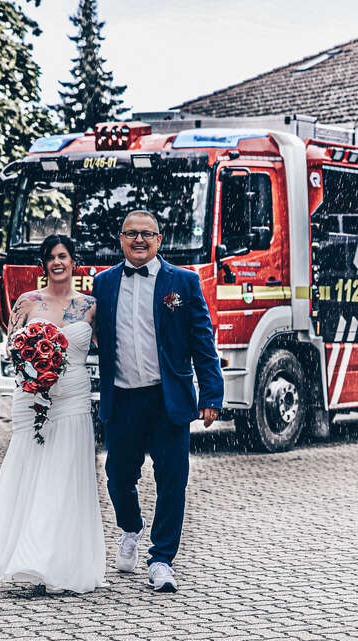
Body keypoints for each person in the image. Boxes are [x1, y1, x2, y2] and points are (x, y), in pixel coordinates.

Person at [92, 210, 223, 593]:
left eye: (146, 234)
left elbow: (202, 340)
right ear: (120, 239)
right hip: (123, 398)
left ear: (159, 239)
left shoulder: (183, 281)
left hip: (168, 400)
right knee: (117, 476)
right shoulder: (104, 284)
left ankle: (162, 559)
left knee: (172, 480)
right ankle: (130, 528)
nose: (138, 240)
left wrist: (211, 393)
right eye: (131, 234)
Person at [0, 234, 106, 594]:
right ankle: (27, 560)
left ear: (74, 261)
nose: (57, 263)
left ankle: (59, 562)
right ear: (43, 265)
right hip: (32, 399)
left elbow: (110, 349)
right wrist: (33, 374)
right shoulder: (27, 301)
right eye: (50, 258)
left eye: (63, 256)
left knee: (65, 479)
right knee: (30, 474)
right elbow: (12, 348)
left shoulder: (92, 306)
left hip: (74, 400)